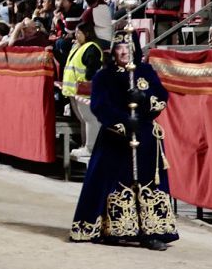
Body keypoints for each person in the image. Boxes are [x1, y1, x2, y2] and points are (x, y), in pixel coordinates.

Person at [70, 31, 178, 250]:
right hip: (116, 137)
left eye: (127, 47)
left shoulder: (146, 71)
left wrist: (144, 101)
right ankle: (113, 228)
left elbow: (162, 98)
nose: (123, 51)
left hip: (145, 136)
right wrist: (123, 122)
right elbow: (99, 106)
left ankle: (152, 232)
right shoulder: (103, 76)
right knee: (113, 181)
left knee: (148, 182)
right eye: (119, 47)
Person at [61, 22, 103, 160]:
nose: (76, 35)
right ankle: (85, 145)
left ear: (88, 33)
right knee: (84, 119)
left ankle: (90, 148)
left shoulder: (91, 48)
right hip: (75, 90)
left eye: (79, 32)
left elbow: (92, 68)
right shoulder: (79, 47)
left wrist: (87, 80)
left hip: (85, 90)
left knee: (90, 119)